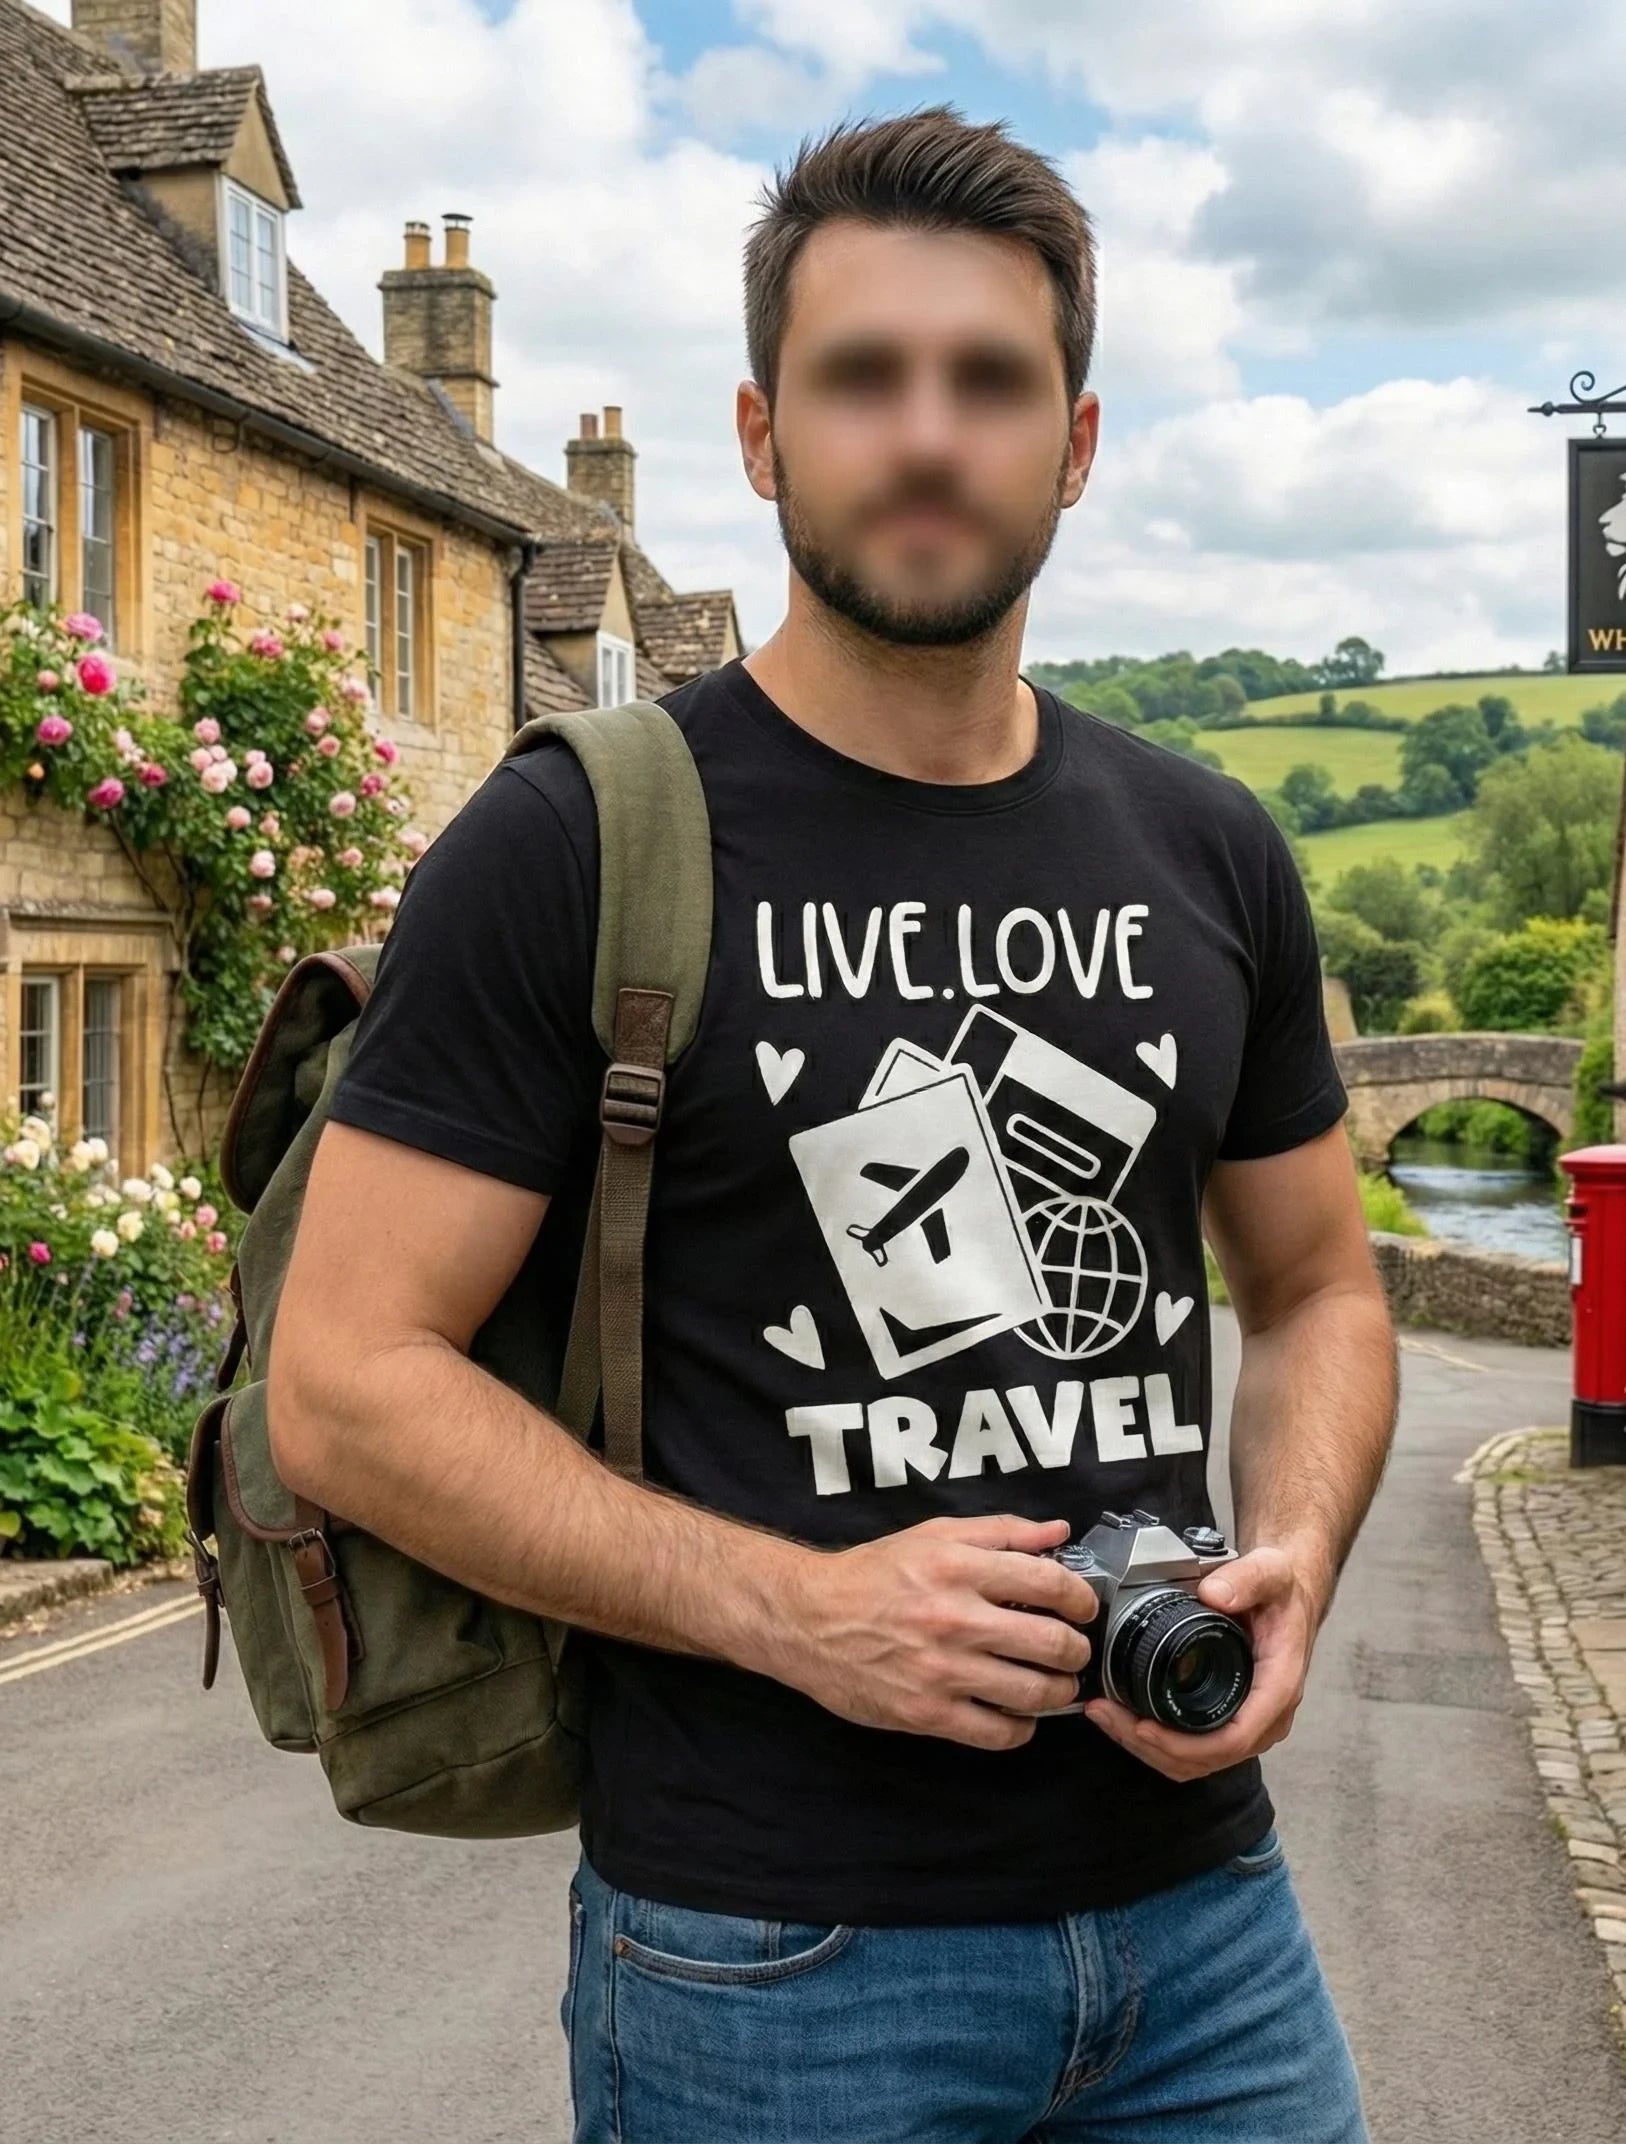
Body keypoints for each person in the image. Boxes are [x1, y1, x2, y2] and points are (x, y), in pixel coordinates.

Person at [270, 104, 1395, 2144]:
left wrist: (1298, 1547)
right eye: (864, 377)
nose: (930, 435)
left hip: (1207, 1927)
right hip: (766, 1966)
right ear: (765, 431)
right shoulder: (576, 839)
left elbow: (1319, 1283)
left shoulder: (1207, 845)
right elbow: (344, 1384)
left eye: (992, 381)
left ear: (1075, 441)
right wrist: (798, 1607)